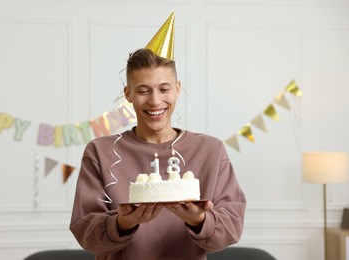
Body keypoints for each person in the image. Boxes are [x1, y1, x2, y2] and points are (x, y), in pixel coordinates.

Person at [69, 48, 246, 260]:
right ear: (128, 94)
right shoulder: (100, 151)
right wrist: (123, 222)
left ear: (177, 89)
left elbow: (231, 229)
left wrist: (198, 219)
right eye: (143, 90)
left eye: (164, 89)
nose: (155, 101)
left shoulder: (210, 150)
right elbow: (84, 232)